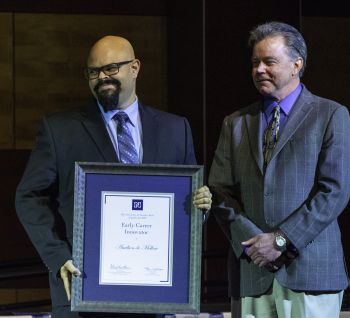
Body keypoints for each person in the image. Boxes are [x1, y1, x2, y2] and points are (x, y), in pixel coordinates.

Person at [15, 35, 211, 318]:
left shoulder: (175, 130)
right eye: (93, 72)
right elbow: (28, 197)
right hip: (82, 289)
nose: (101, 77)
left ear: (135, 67)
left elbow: (188, 202)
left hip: (150, 293)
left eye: (111, 68)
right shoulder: (60, 130)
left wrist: (202, 206)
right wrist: (58, 258)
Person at [208, 21, 350, 318]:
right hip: (254, 271)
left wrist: (281, 240)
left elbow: (334, 192)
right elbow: (219, 192)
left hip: (311, 274)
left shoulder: (331, 115)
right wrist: (254, 244)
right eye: (255, 62)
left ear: (297, 64)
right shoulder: (235, 123)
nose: (259, 69)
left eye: (269, 61)